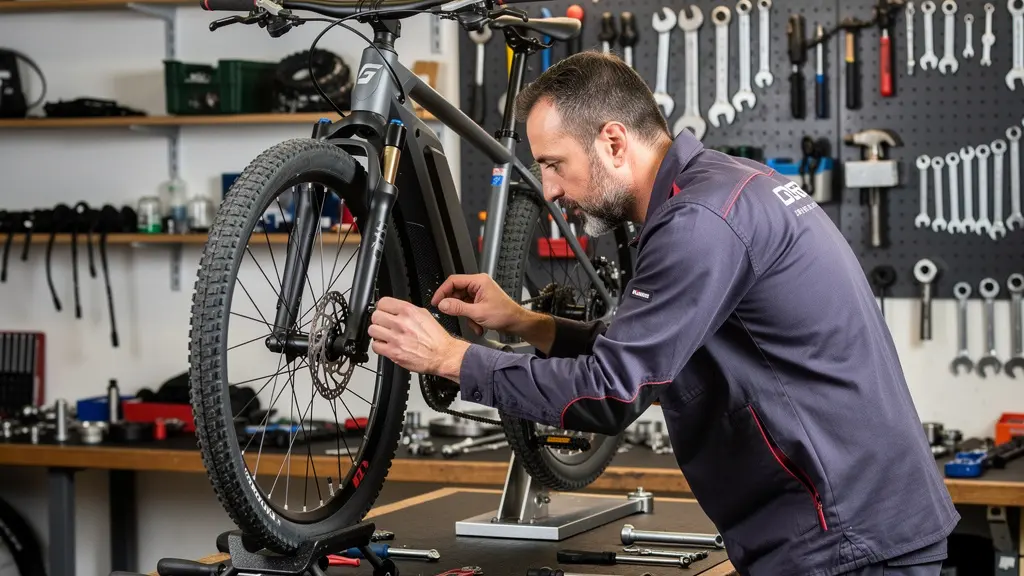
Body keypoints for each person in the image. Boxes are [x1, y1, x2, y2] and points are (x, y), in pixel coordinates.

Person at [366, 51, 959, 575]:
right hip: (849, 523)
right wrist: (526, 322)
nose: (548, 190)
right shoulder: (722, 188)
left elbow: (612, 391)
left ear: (613, 142)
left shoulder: (699, 222)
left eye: (553, 164)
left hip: (846, 541)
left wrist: (452, 358)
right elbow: (650, 346)